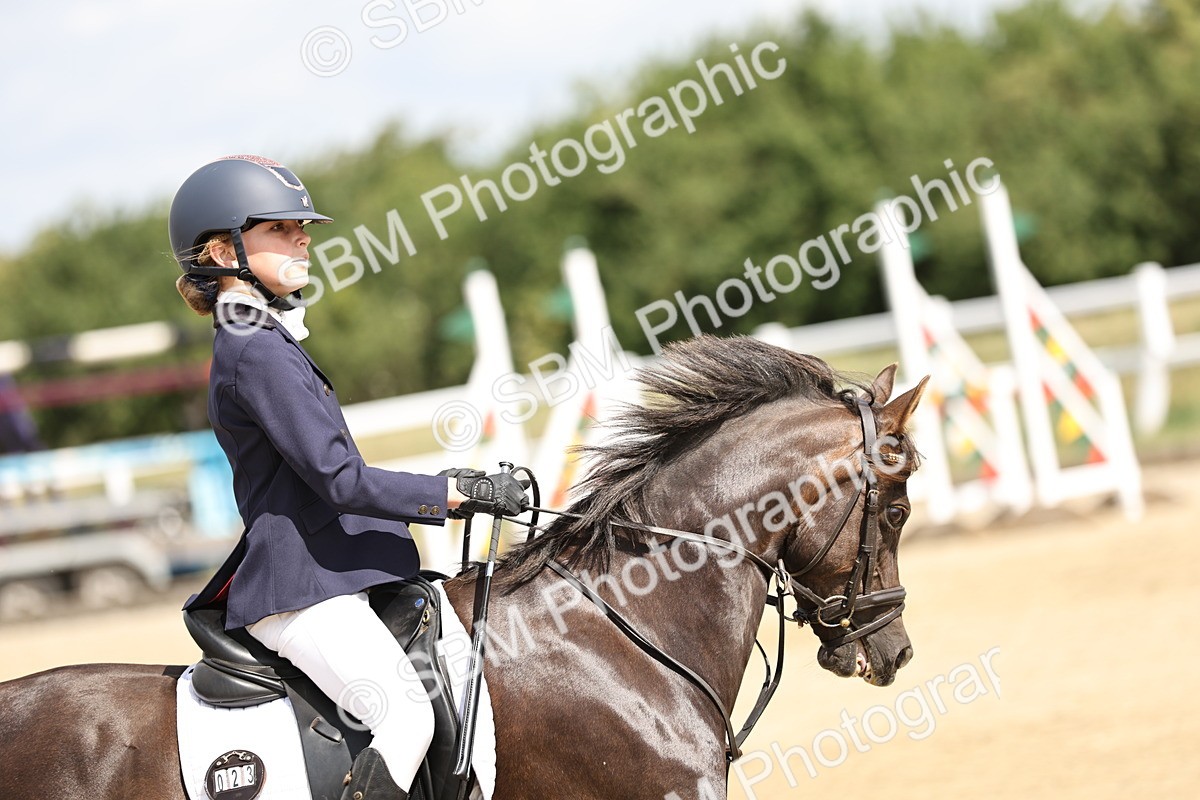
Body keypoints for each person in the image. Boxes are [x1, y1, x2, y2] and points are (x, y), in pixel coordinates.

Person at [170, 155, 526, 800]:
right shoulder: (253, 346)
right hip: (302, 587)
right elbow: (340, 479)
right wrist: (456, 492)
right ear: (223, 250)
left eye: (301, 227)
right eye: (279, 228)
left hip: (333, 570)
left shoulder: (262, 338)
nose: (303, 238)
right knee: (406, 714)